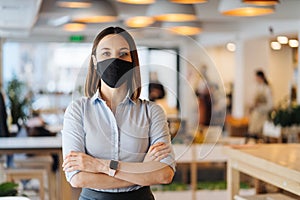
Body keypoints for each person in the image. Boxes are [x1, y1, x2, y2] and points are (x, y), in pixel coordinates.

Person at [62, 27, 175, 200]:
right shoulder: (78, 111)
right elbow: (77, 178)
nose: (114, 60)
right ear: (94, 60)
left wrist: (100, 165)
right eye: (106, 53)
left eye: (123, 54)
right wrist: (142, 170)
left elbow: (164, 174)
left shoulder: (152, 112)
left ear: (132, 61)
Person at [246, 70, 273, 143]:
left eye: (256, 77)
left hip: (263, 116)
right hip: (255, 115)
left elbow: (270, 105)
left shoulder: (267, 89)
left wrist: (259, 106)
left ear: (260, 77)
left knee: (258, 135)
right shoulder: (257, 88)